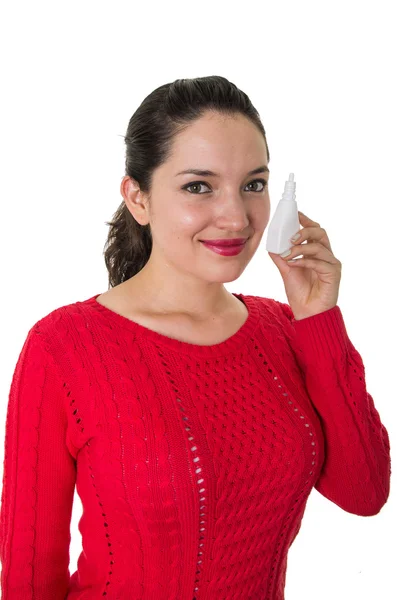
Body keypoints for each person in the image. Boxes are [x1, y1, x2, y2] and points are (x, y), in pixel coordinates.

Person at [0, 75, 391, 600]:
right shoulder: (64, 346)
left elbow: (364, 492)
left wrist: (317, 318)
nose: (235, 217)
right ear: (137, 197)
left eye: (253, 184)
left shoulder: (284, 330)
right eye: (198, 186)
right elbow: (29, 575)